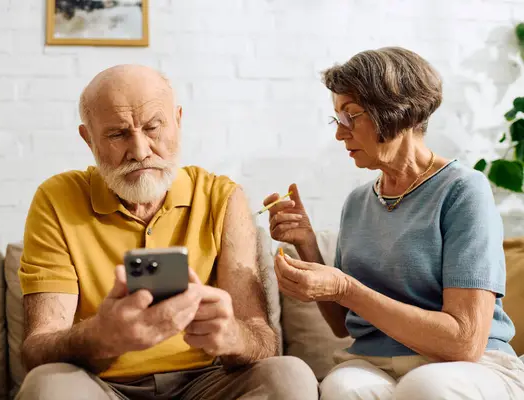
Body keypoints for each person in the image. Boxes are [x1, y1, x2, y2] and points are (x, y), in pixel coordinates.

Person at [16, 64, 318, 400]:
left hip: (206, 383)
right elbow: (37, 349)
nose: (140, 151)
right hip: (101, 386)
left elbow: (263, 341)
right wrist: (101, 337)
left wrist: (233, 336)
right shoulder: (57, 198)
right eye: (117, 134)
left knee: (290, 375)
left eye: (153, 127)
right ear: (88, 139)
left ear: (177, 121)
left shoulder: (222, 197)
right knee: (47, 386)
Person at [264, 47, 524, 400]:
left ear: (395, 113)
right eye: (336, 118)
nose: (340, 134)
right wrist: (307, 243)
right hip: (375, 362)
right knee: (341, 387)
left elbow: (464, 342)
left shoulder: (463, 190)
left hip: (469, 365)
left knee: (425, 386)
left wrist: (345, 287)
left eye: (351, 116)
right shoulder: (357, 203)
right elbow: (343, 325)